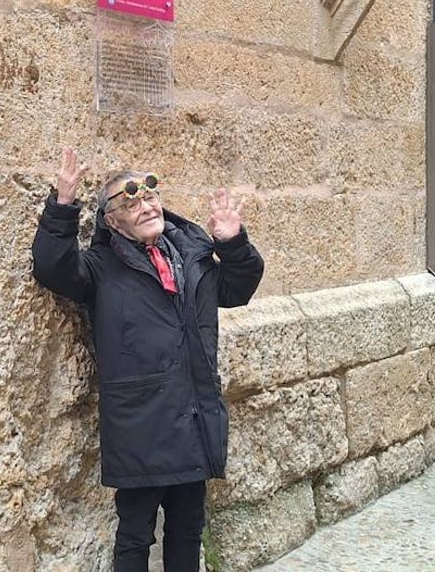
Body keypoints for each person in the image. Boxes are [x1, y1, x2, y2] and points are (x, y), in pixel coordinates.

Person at [31, 148, 264, 572]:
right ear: (112, 221)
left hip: (194, 415)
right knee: (136, 536)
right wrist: (62, 206)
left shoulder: (192, 254)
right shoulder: (101, 266)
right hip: (142, 424)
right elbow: (52, 268)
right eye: (129, 202)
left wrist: (232, 244)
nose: (144, 206)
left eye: (149, 196)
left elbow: (237, 290)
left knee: (188, 529)